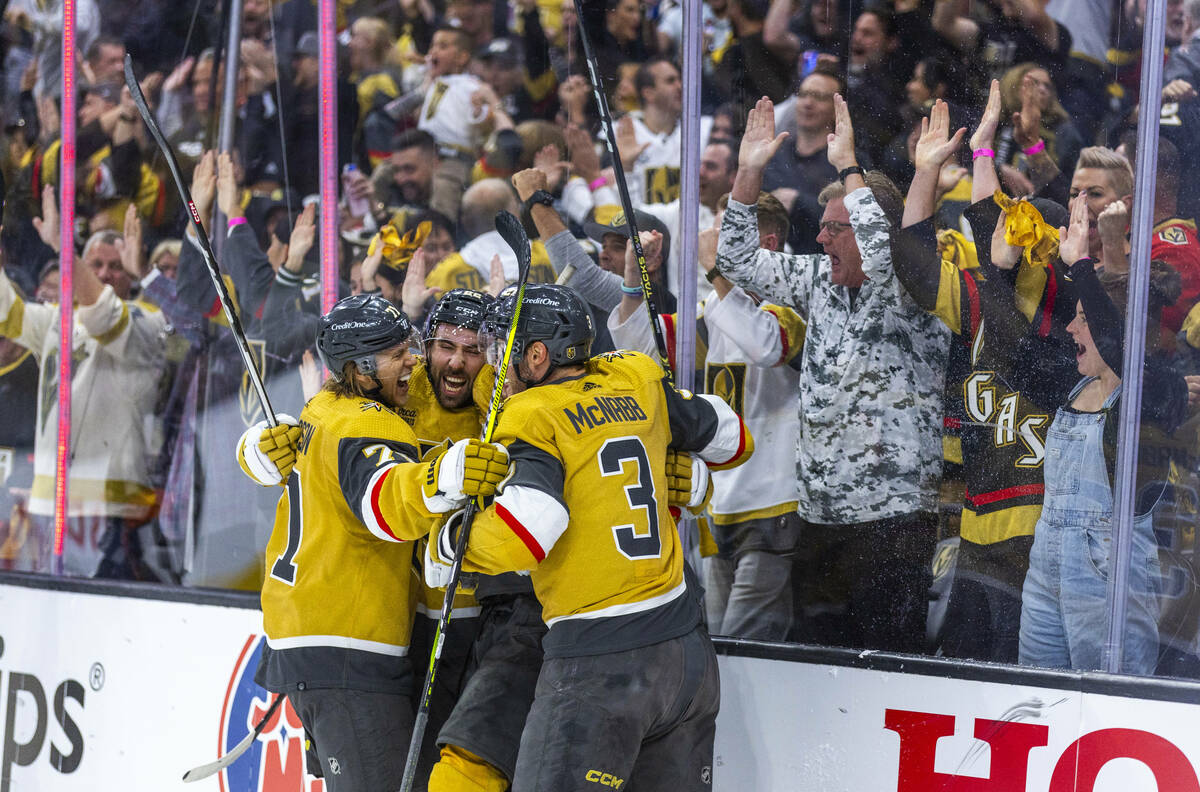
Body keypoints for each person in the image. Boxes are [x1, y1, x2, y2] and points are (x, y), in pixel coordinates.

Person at [425, 283, 752, 791]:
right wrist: (687, 467)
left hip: (601, 661)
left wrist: (451, 546)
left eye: (503, 352)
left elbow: (532, 528)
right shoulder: (636, 377)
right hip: (686, 651)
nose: (494, 366)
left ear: (536, 355)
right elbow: (733, 436)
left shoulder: (531, 412)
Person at [234, 293, 509, 790]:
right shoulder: (381, 410)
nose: (449, 361)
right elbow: (380, 497)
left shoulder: (328, 403)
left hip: (340, 632)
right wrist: (443, 475)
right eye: (440, 346)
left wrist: (258, 449)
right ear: (360, 369)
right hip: (358, 639)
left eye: (473, 350)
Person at [717, 95, 949, 653]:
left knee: (889, 666)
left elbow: (885, 252)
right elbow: (736, 261)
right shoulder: (820, 280)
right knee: (818, 668)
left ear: (874, 231)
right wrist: (748, 173)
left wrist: (849, 166)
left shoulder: (914, 290)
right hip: (820, 516)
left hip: (892, 518)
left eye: (835, 229)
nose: (820, 240)